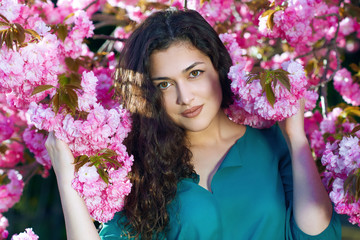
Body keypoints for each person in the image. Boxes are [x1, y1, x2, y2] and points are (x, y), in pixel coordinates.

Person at [45, 9, 342, 240]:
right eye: (164, 84)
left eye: (194, 73)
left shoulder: (270, 142)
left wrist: (297, 138)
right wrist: (64, 170)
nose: (185, 97)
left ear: (218, 66)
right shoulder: (142, 168)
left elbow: (316, 233)